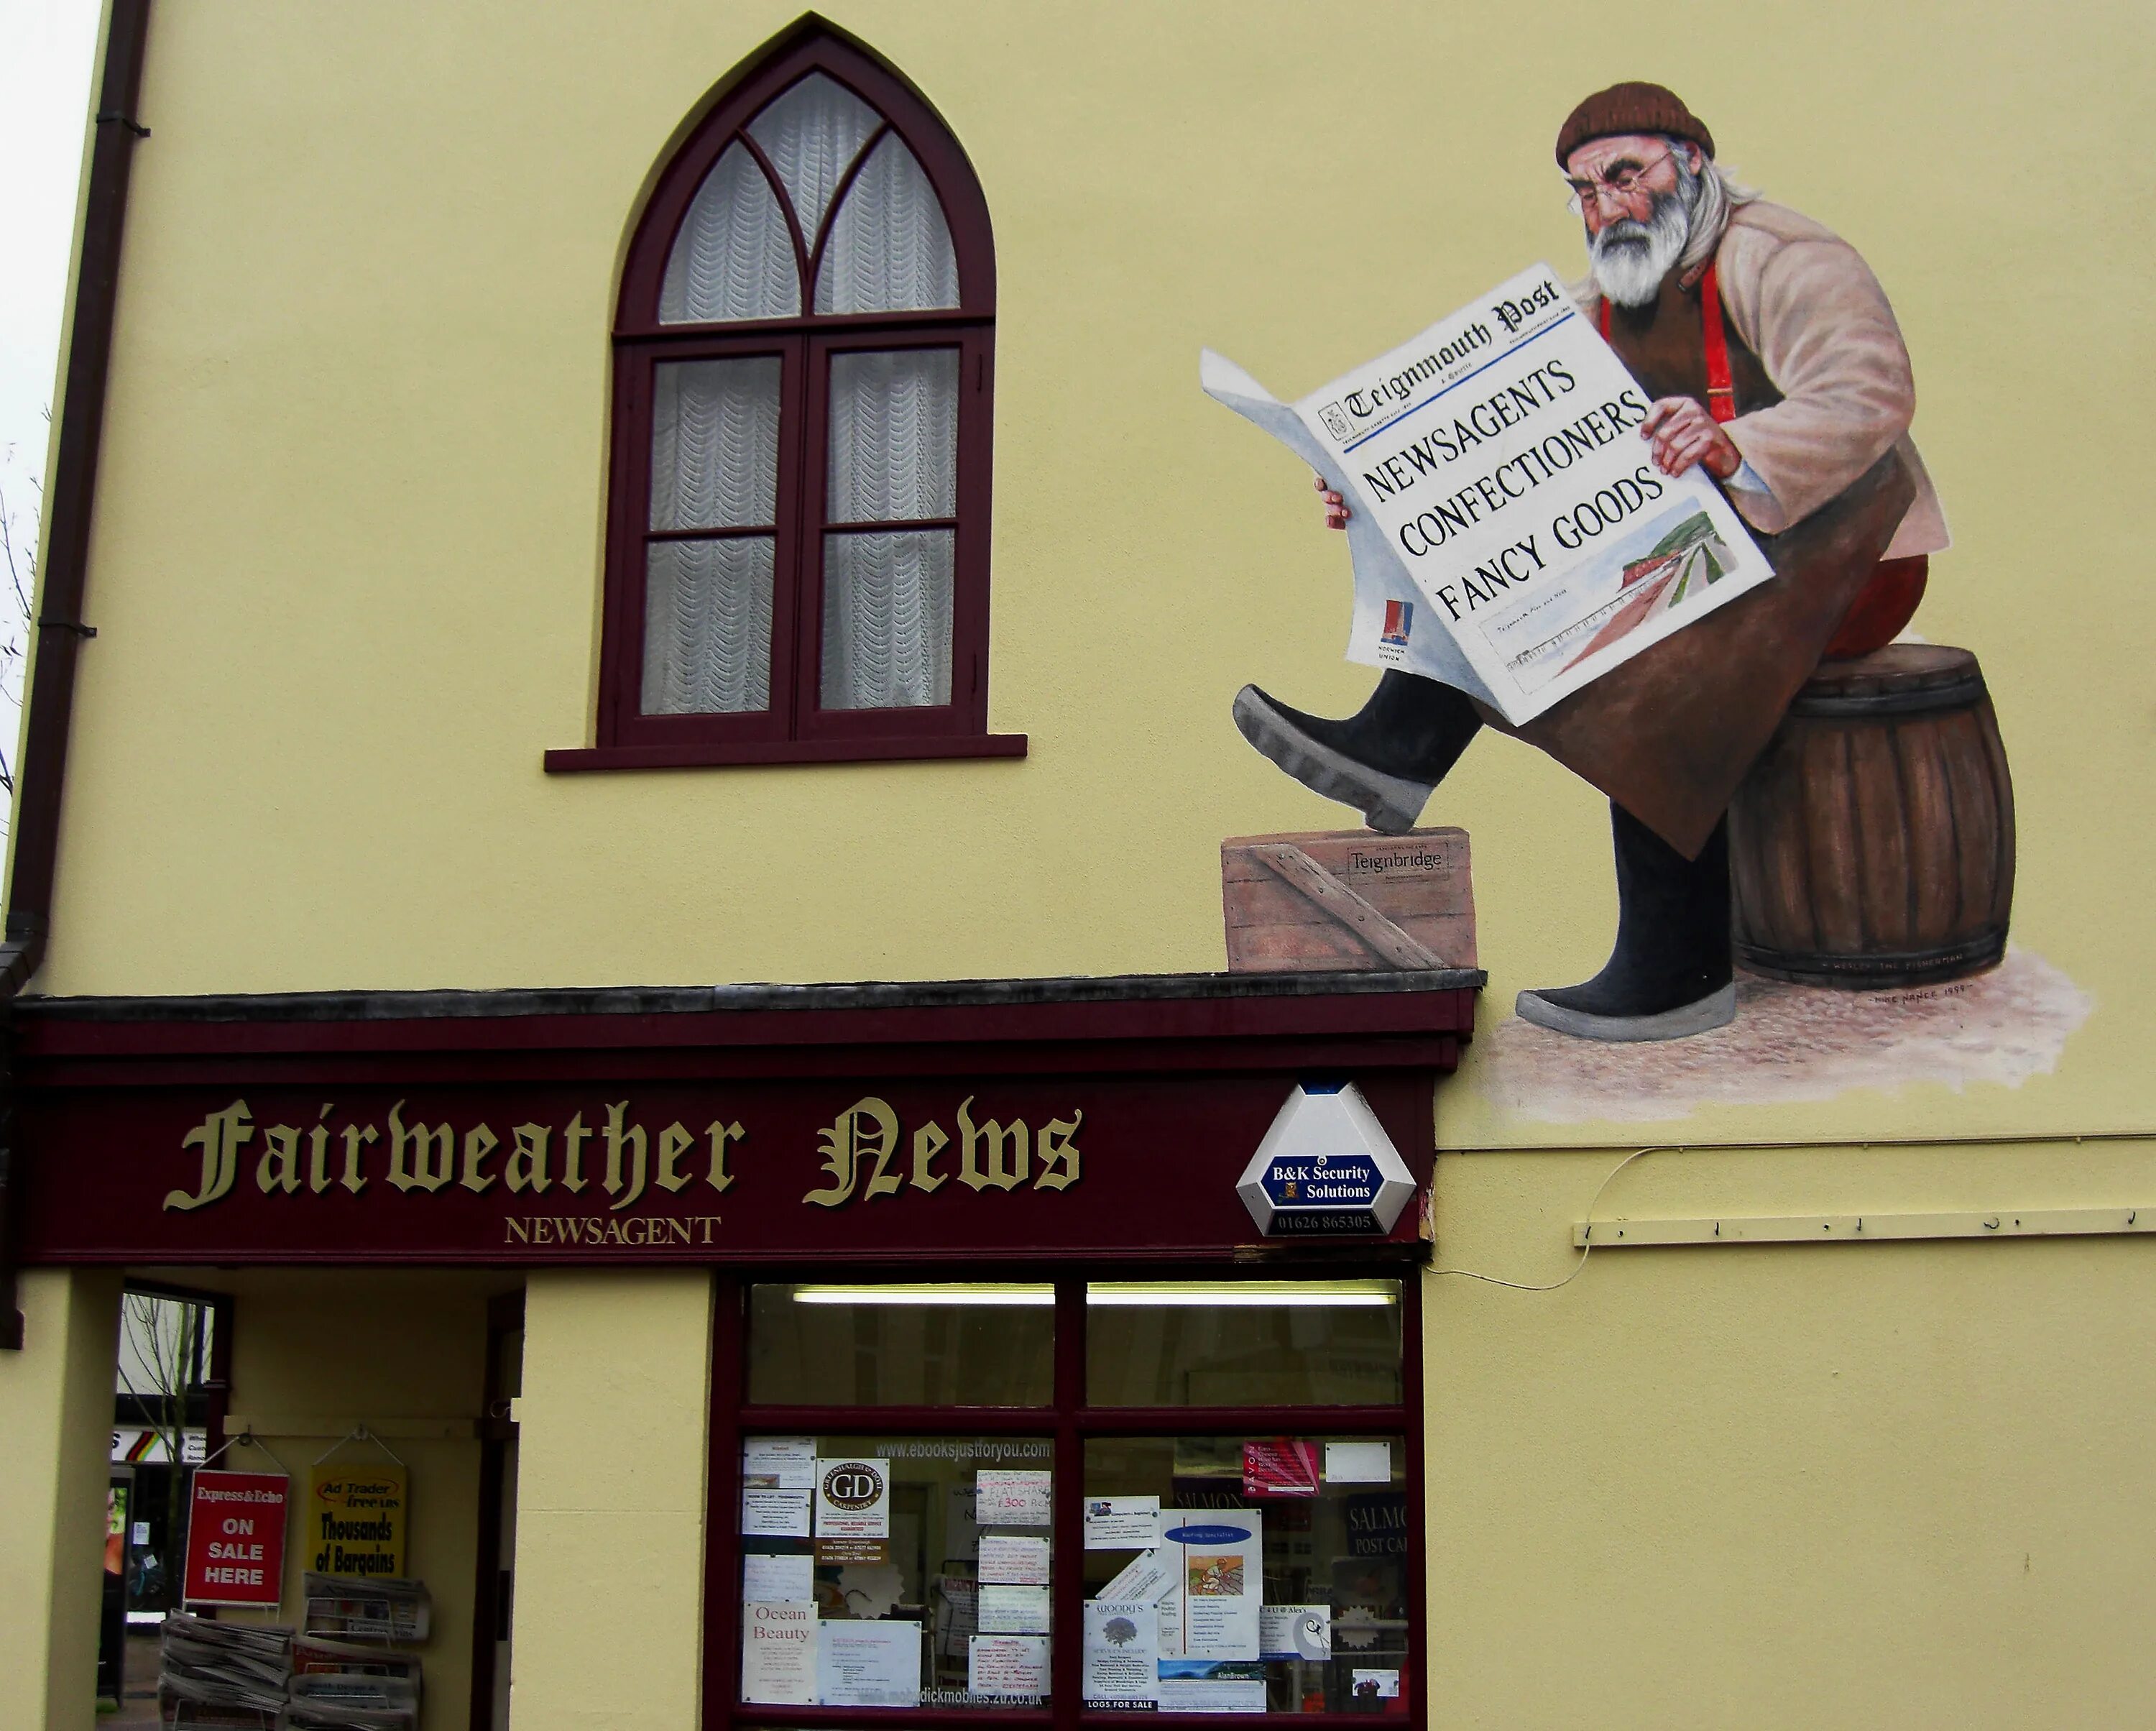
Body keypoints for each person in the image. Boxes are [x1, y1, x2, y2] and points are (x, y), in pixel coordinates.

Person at [1232, 81, 1947, 1042]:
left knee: (1649, 655)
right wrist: (1375, 493)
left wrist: (1740, 444)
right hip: (1722, 537)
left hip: (1849, 550)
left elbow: (1870, 390)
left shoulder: (1783, 257)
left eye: (1624, 174)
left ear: (1688, 163)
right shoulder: (1599, 304)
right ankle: (1401, 745)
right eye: (1583, 189)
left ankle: (1676, 966)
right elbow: (1494, 443)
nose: (1605, 205)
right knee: (1492, 545)